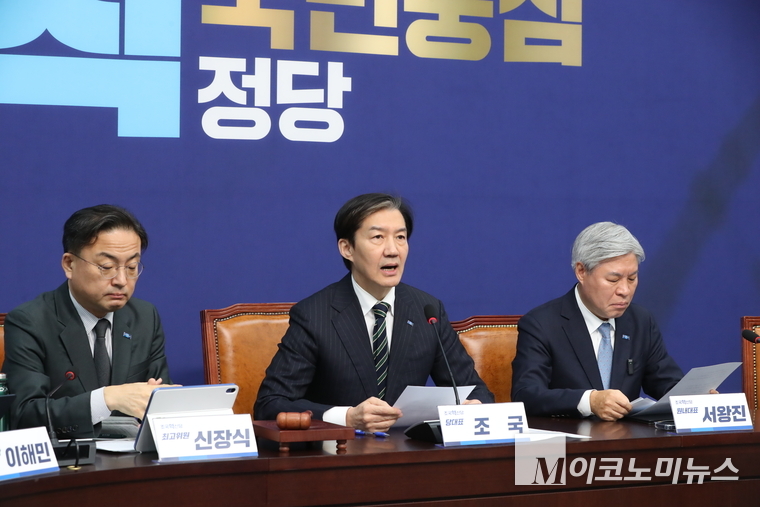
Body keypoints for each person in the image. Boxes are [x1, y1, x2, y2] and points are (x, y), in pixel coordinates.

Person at [255, 193, 493, 432]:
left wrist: (474, 406)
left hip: (407, 448)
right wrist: (347, 417)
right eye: (378, 237)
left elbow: (476, 391)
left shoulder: (427, 310)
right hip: (340, 449)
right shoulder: (314, 315)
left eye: (400, 237)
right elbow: (270, 404)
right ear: (347, 248)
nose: (393, 250)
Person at [3, 205, 172, 438]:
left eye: (132, 267)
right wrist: (107, 399)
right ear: (69, 264)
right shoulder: (30, 321)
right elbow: (24, 414)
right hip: (68, 456)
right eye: (107, 267)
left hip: (132, 455)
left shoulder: (144, 317)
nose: (122, 280)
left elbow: (161, 400)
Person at [511, 222, 683, 421]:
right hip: (569, 437)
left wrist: (698, 398)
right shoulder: (542, 324)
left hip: (627, 438)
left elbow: (667, 383)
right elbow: (526, 395)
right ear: (581, 272)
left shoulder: (640, 321)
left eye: (632, 278)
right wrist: (590, 401)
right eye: (613, 280)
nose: (624, 290)